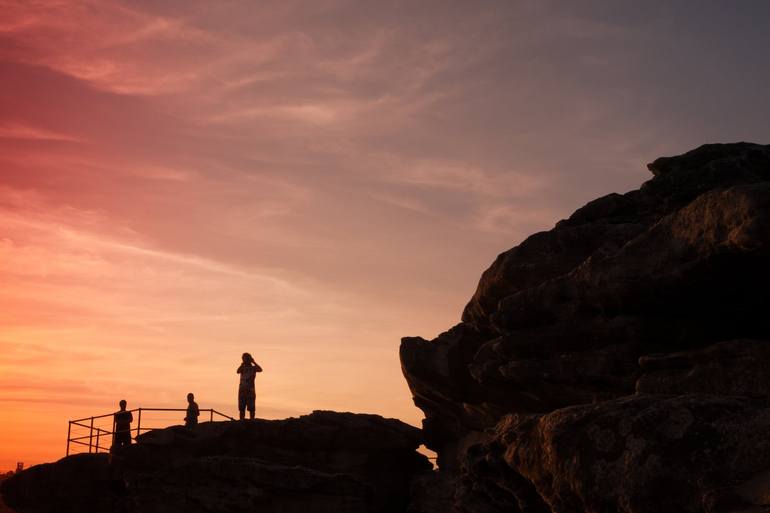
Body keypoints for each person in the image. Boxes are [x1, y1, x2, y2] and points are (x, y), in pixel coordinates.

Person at [236, 352, 262, 420]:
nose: (245, 360)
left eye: (246, 358)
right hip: (242, 391)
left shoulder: (253, 368)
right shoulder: (242, 368)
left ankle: (252, 421)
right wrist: (242, 364)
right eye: (244, 358)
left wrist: (254, 362)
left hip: (250, 391)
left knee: (251, 408)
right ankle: (241, 422)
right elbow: (238, 371)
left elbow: (260, 369)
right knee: (242, 408)